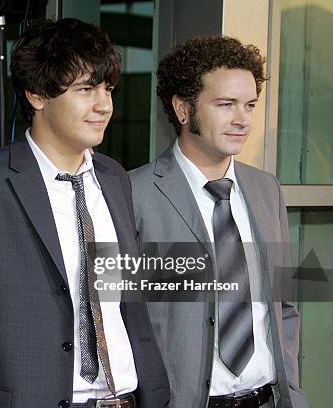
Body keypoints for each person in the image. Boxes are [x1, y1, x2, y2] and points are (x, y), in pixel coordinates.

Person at [0, 18, 169, 408]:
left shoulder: (115, 178)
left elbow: (125, 298)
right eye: (86, 89)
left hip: (127, 398)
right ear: (36, 94)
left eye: (107, 89)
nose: (104, 105)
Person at [128, 36, 307, 408]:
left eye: (249, 105)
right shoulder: (132, 195)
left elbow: (284, 305)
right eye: (226, 105)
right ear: (182, 109)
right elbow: (122, 319)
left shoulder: (266, 189)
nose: (242, 119)